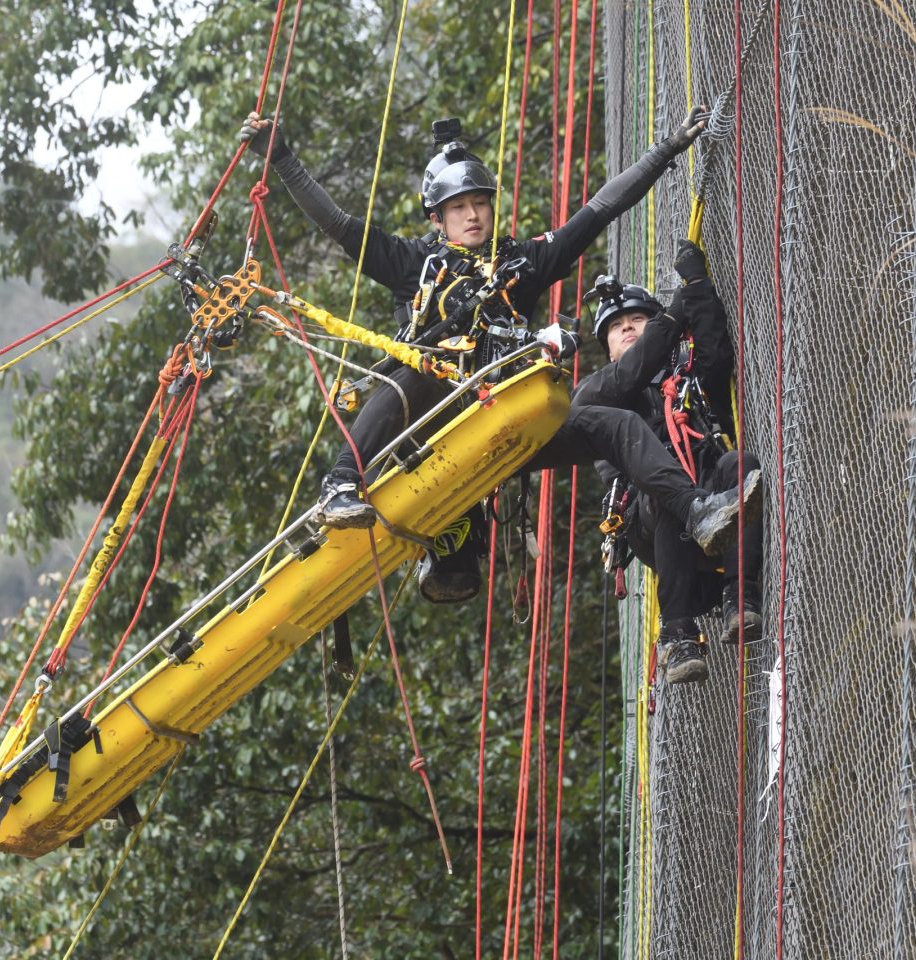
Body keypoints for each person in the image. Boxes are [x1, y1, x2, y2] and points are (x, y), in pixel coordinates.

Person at [239, 110, 758, 604]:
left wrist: (665, 151)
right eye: (459, 207)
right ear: (437, 216)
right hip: (436, 418)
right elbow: (338, 225)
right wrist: (282, 158)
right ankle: (341, 482)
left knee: (615, 426)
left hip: (507, 417)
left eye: (480, 203)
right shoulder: (412, 263)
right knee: (413, 374)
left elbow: (599, 210)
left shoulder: (521, 262)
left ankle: (697, 512)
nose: (472, 214)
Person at [575, 240, 763, 683]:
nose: (628, 329)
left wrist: (696, 287)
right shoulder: (599, 394)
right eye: (617, 326)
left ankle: (741, 597)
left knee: (742, 465)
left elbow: (716, 353)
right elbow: (630, 373)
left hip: (710, 492)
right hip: (654, 517)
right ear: (607, 347)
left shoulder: (685, 376)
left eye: (637, 319)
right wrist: (672, 315)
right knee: (663, 493)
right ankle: (678, 636)